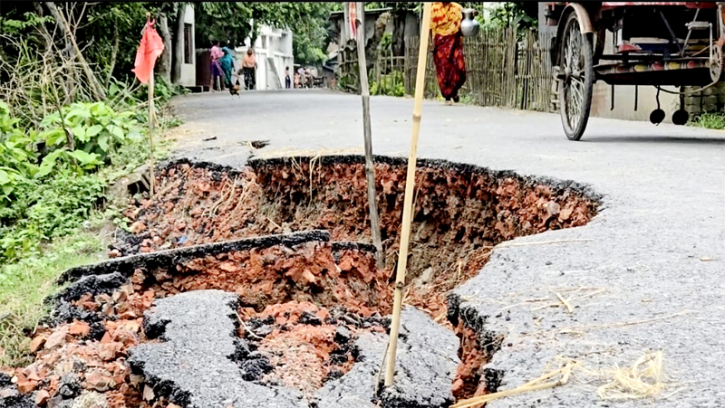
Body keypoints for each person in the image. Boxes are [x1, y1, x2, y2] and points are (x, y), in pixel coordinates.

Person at [430, 2, 467, 105]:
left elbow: (465, 20)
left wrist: (472, 14)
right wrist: (430, 44)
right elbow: (430, 28)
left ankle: (454, 91)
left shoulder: (457, 8)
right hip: (441, 44)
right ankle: (447, 97)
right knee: (444, 71)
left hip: (455, 41)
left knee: (460, 69)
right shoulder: (434, 9)